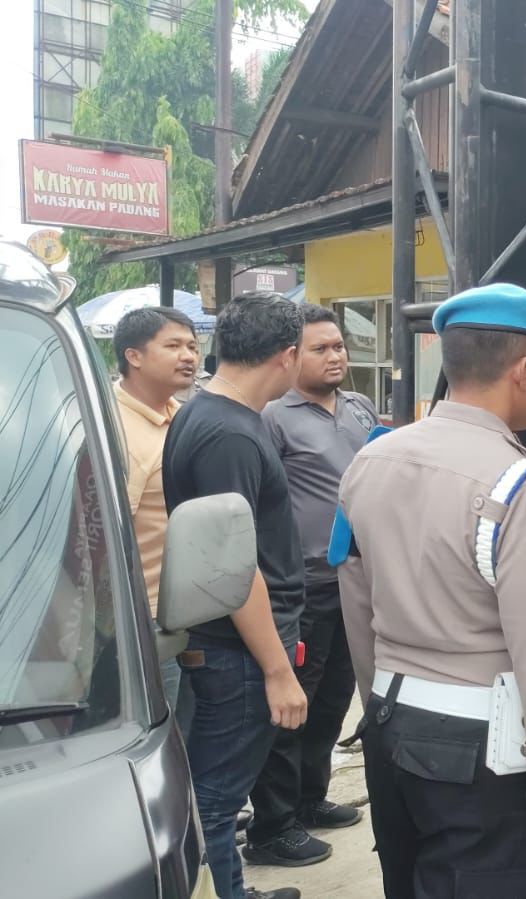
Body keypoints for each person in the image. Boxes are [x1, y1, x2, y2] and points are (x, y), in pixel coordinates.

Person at [337, 283, 526, 897]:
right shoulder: (522, 486)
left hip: (388, 722)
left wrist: (380, 703)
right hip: (477, 752)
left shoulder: (372, 459)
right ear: (523, 370)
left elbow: (355, 598)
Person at [163, 291, 308, 899]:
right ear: (288, 355)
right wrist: (278, 670)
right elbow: (236, 567)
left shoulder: (204, 413)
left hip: (228, 641)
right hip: (239, 651)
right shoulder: (231, 435)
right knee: (215, 802)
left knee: (216, 793)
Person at [244, 305, 377, 868]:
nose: (335, 356)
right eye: (320, 349)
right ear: (292, 356)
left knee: (332, 700)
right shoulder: (273, 417)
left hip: (355, 580)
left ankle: (309, 799)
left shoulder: (360, 407)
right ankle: (273, 824)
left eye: (339, 346)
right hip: (302, 585)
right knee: (292, 703)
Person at [111, 306, 199, 707]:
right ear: (134, 356)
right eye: (173, 346)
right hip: (143, 619)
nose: (188, 356)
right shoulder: (114, 429)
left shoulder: (183, 415)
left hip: (193, 611)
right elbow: (107, 537)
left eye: (192, 346)